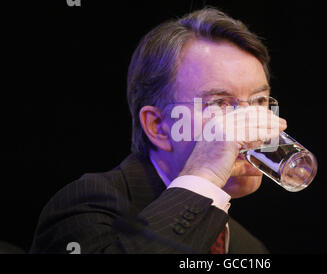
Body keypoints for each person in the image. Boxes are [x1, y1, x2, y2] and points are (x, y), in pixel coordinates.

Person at [30, 7, 287, 254]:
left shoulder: (248, 246)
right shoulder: (85, 206)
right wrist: (205, 174)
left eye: (259, 101)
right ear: (158, 127)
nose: (251, 125)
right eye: (219, 103)